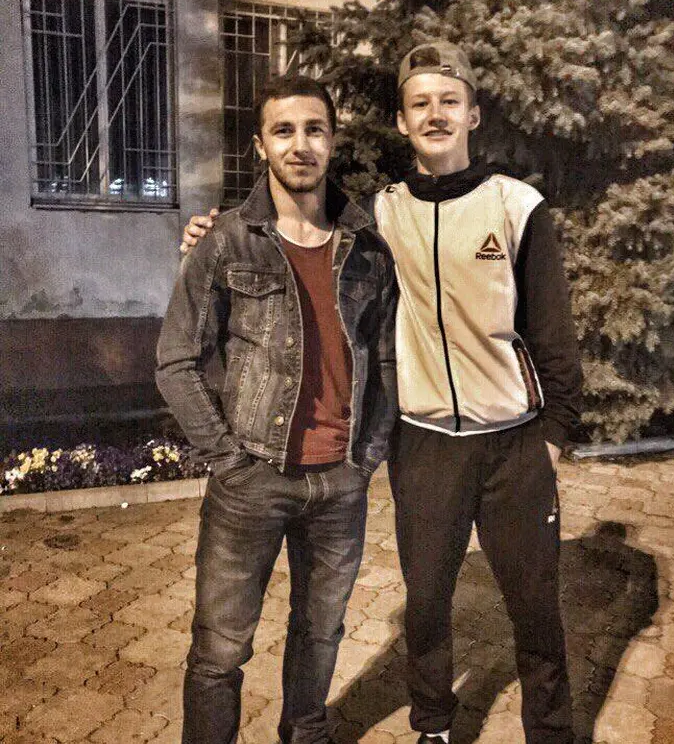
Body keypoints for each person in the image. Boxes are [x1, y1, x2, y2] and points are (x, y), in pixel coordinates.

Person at [182, 42, 582, 744]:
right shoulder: (379, 216)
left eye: (449, 101)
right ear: (401, 121)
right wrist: (212, 229)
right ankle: (433, 727)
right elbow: (293, 218)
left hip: (514, 443)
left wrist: (554, 436)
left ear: (472, 114)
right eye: (420, 103)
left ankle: (550, 733)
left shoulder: (517, 206)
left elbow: (552, 329)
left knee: (536, 613)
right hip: (423, 445)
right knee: (425, 607)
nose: (435, 114)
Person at [157, 74, 398, 744]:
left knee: (321, 632)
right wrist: (230, 462)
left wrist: (366, 457)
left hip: (339, 483)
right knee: (220, 651)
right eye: (283, 131)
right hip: (251, 481)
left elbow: (385, 364)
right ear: (261, 145)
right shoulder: (227, 241)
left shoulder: (367, 247)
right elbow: (176, 360)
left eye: (314, 129)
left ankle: (304, 732)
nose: (300, 145)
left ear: (332, 140)